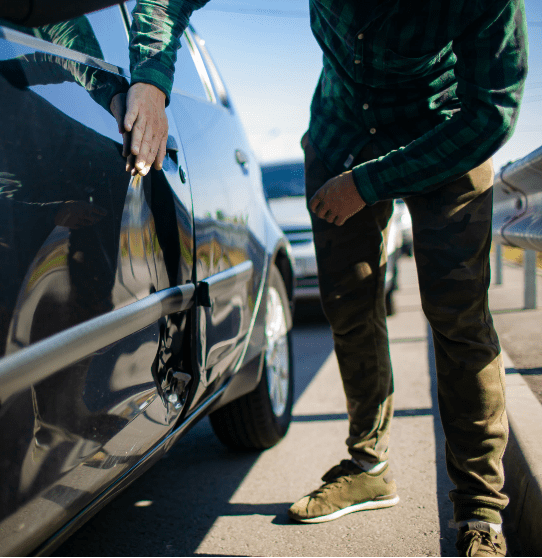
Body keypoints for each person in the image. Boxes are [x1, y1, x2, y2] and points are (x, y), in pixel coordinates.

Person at [121, 1, 528, 556]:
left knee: (458, 314)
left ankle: (481, 507)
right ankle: (368, 466)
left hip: (446, 133)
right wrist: (149, 80)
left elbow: (493, 114)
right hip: (342, 133)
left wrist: (369, 184)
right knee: (348, 305)